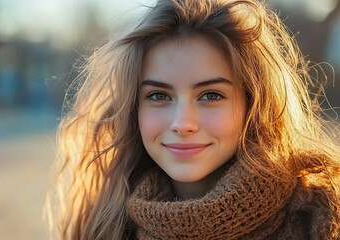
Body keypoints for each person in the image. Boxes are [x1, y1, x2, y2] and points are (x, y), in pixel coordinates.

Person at [45, 0, 340, 239]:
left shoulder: (320, 216)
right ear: (133, 109)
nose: (182, 123)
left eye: (211, 95)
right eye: (159, 96)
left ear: (254, 103)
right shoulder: (106, 227)